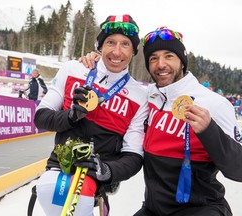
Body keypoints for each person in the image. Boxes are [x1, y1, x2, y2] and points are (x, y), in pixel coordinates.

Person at [80, 26, 242, 216]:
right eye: (153, 58)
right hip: (153, 209)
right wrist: (97, 62)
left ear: (182, 62)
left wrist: (209, 131)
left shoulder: (214, 104)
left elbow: (238, 170)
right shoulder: (148, 96)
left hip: (200, 210)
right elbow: (119, 84)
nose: (161, 64)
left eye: (169, 56)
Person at [33, 14, 148, 216]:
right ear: (100, 46)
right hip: (60, 166)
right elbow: (40, 117)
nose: (116, 51)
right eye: (110, 42)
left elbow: (134, 156)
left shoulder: (140, 95)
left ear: (134, 51)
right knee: (48, 187)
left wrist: (107, 171)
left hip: (96, 176)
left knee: (76, 191)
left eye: (125, 44)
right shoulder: (74, 69)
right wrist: (70, 116)